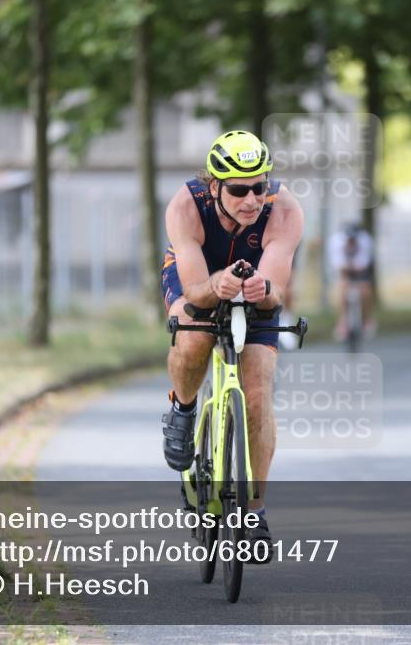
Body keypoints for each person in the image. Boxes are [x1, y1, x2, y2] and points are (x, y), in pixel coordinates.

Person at [159, 130, 303, 556]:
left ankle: (254, 512)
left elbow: (277, 292)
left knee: (257, 396)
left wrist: (264, 290)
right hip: (199, 278)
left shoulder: (284, 210)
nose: (252, 200)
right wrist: (215, 285)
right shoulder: (186, 206)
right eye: (239, 190)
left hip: (255, 285)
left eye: (260, 187)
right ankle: (184, 410)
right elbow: (194, 291)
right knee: (192, 337)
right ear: (214, 186)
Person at [327, 222, 375, 340]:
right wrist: (346, 272)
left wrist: (355, 268)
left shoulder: (365, 241)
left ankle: (366, 319)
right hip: (344, 269)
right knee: (342, 289)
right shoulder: (335, 242)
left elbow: (363, 264)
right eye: (349, 240)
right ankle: (342, 321)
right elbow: (338, 264)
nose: (351, 242)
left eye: (353, 240)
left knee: (365, 291)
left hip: (361, 269)